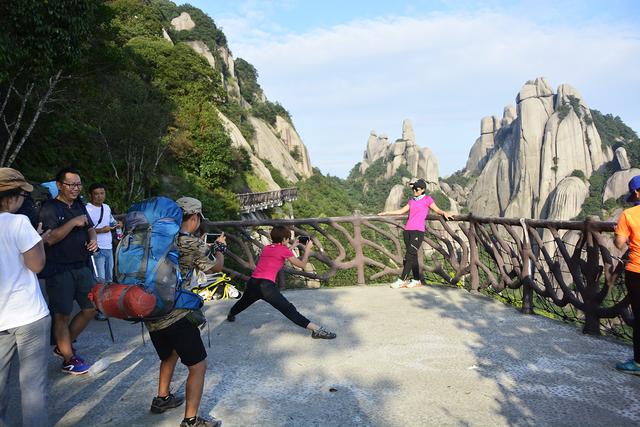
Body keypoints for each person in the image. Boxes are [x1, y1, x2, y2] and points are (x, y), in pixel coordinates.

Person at [145, 197, 225, 427]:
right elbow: (216, 267)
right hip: (176, 312)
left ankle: (162, 398)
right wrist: (219, 248)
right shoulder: (191, 243)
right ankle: (190, 421)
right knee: (198, 366)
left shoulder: (155, 237)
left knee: (169, 354)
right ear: (194, 217)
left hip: (150, 308)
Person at [0, 168, 50, 426]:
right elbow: (36, 265)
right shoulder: (18, 223)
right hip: (28, 314)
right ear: (12, 197)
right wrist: (39, 240)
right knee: (32, 386)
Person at [226, 225, 337, 340]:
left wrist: (293, 246)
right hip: (267, 287)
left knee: (243, 302)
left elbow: (278, 253)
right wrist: (307, 250)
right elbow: (302, 265)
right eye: (288, 238)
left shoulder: (267, 248)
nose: (289, 240)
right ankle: (316, 329)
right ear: (284, 239)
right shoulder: (283, 250)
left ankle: (231, 314)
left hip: (253, 283)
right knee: (289, 310)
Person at [39, 167, 98, 375]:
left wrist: (93, 239)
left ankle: (64, 345)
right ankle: (68, 358)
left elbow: (89, 226)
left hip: (82, 266)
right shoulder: (50, 208)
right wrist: (73, 222)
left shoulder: (80, 204)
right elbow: (50, 238)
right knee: (61, 315)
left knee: (90, 308)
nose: (75, 188)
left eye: (78, 184)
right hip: (59, 269)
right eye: (71, 184)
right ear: (59, 185)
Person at [378, 178, 454, 288]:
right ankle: (417, 280)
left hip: (418, 232)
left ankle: (402, 280)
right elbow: (401, 211)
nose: (414, 191)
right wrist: (386, 213)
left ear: (423, 189)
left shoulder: (427, 199)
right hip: (407, 231)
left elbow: (437, 210)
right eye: (413, 189)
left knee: (409, 256)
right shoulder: (412, 200)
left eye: (417, 189)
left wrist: (444, 213)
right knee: (412, 257)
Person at [615, 175, 640, 375]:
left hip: (637, 271)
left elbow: (619, 243)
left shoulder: (628, 215)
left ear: (636, 193)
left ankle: (638, 362)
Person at [86, 183, 121, 321]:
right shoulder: (86, 209)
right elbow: (84, 230)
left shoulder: (106, 208)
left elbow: (111, 221)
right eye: (97, 194)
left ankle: (108, 307)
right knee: (99, 281)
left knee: (109, 280)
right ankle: (100, 310)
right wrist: (101, 230)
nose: (100, 196)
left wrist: (117, 224)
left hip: (108, 247)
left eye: (102, 193)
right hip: (96, 249)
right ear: (91, 195)